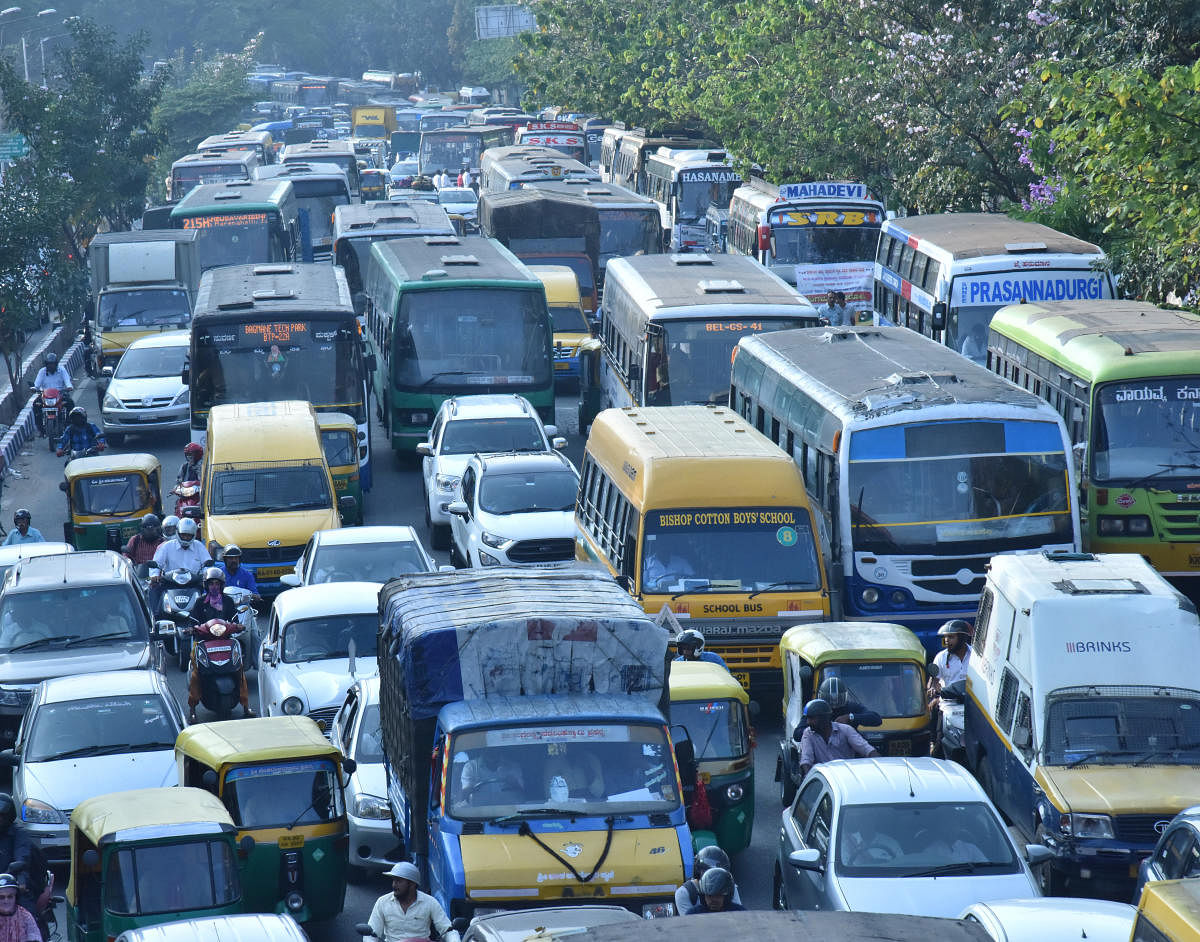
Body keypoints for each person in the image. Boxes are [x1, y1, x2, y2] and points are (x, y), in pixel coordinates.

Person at [186, 567, 252, 722]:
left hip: (226, 642)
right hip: (204, 642)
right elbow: (193, 621)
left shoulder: (228, 601)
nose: (214, 587)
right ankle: (192, 709)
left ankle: (245, 706)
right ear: (206, 586)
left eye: (217, 584)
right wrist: (191, 629)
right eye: (211, 584)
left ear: (221, 586)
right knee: (196, 674)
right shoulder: (200, 602)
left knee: (239, 670)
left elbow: (235, 620)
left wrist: (238, 626)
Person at [367, 861, 460, 942]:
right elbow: (371, 933)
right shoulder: (382, 902)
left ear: (412, 884)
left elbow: (448, 930)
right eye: (393, 880)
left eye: (399, 881)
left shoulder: (430, 902)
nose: (394, 885)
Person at [797, 698, 879, 778]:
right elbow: (806, 759)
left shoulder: (846, 730)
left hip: (846, 777)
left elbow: (867, 750)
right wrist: (808, 777)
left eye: (812, 718)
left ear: (824, 718)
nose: (808, 722)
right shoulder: (808, 734)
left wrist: (879, 767)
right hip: (822, 779)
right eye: (807, 718)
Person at [792, 676, 880, 743]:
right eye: (830, 701)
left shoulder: (851, 707)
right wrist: (820, 727)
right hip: (823, 748)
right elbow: (797, 734)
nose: (834, 705)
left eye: (838, 700)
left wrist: (850, 717)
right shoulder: (814, 708)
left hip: (849, 747)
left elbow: (876, 719)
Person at [675, 845, 742, 914]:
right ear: (698, 871)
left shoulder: (729, 886)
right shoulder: (684, 893)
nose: (713, 876)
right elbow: (689, 922)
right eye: (709, 896)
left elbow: (738, 915)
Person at [32, 351, 74, 437]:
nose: (51, 366)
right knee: (36, 405)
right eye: (49, 364)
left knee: (70, 404)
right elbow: (37, 384)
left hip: (60, 395)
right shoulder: (42, 372)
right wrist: (34, 388)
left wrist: (69, 387)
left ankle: (68, 426)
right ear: (46, 364)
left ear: (56, 364)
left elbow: (67, 381)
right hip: (45, 396)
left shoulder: (62, 370)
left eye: (53, 364)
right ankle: (40, 429)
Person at [930, 619, 972, 693]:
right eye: (945, 637)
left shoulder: (976, 655)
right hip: (948, 703)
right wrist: (932, 688)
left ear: (962, 638)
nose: (946, 640)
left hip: (972, 702)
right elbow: (933, 681)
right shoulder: (940, 657)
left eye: (951, 637)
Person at [0, 873, 40, 942]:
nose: (6, 901)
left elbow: (35, 937)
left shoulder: (25, 916)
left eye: (10, 897)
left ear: (16, 897)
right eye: (1, 897)